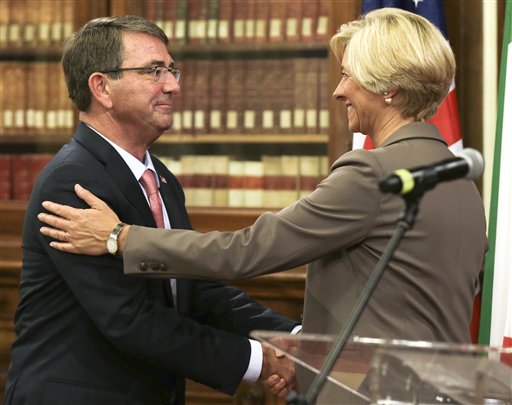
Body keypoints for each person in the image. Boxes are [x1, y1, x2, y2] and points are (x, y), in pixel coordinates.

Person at [38, 8, 487, 401]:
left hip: (371, 392)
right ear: (101, 86)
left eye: (349, 74)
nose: (338, 90)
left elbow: (244, 252)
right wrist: (292, 342)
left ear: (387, 87)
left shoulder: (374, 175)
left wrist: (119, 237)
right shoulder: (460, 181)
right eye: (155, 71)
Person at [3, 15, 300, 405]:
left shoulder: (159, 177)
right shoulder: (73, 180)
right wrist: (260, 361)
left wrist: (294, 340)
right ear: (102, 87)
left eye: (172, 69)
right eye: (154, 71)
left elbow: (198, 290)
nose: (173, 85)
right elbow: (129, 319)